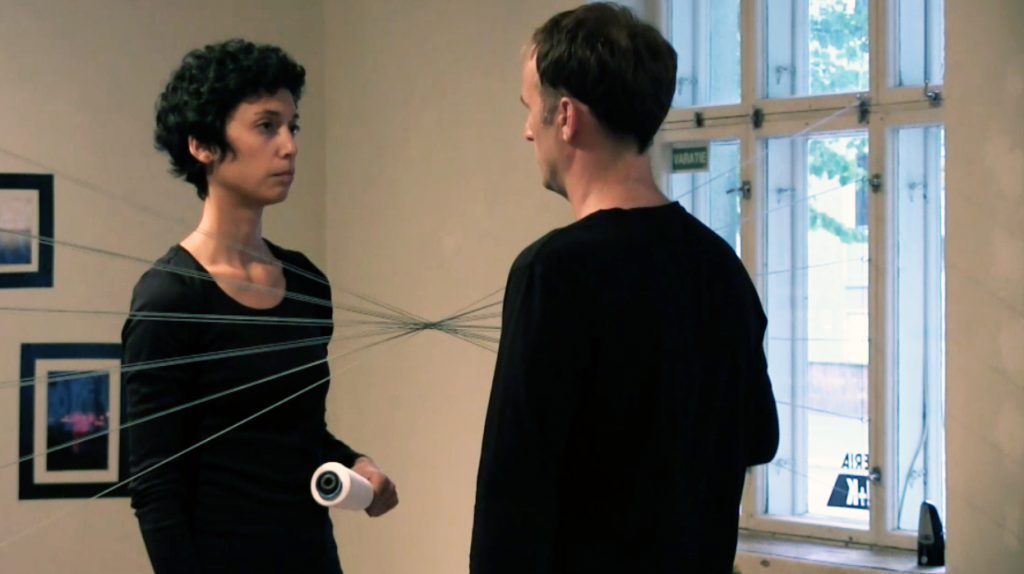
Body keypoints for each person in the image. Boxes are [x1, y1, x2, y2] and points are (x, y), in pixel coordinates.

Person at [469, 4, 780, 573]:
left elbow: (510, 499)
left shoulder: (553, 273)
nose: (528, 130)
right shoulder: (720, 267)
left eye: (530, 108)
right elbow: (760, 438)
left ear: (566, 116)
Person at [122, 39, 398, 574]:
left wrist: (354, 463)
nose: (289, 146)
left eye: (293, 126)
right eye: (266, 126)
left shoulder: (307, 283)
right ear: (202, 144)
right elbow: (156, 489)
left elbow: (293, 436)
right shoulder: (169, 298)